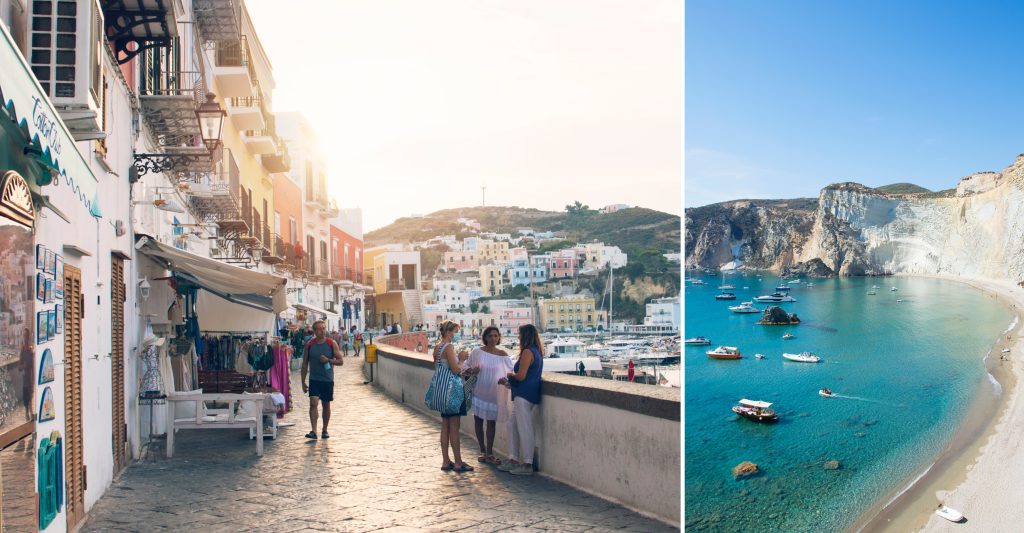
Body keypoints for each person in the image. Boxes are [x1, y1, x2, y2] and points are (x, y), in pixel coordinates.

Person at [497, 324, 544, 476]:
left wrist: (510, 375)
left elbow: (521, 376)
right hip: (524, 393)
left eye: (520, 334)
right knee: (512, 425)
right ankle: (513, 458)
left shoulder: (528, 352)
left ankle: (527, 463)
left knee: (525, 428)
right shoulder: (536, 351)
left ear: (525, 336)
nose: (518, 337)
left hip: (524, 395)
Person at [433, 319, 475, 472]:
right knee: (454, 427)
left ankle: (446, 461)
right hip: (453, 391)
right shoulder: (448, 347)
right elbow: (456, 370)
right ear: (449, 332)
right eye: (455, 332)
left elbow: (439, 367)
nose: (456, 335)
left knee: (445, 426)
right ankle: (458, 462)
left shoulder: (437, 347)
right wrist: (462, 358)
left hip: (442, 389)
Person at [468, 326, 513, 465]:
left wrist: (507, 381)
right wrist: (472, 370)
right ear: (485, 337)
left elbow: (511, 373)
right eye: (490, 336)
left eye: (495, 336)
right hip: (479, 391)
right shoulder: (477, 352)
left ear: (499, 337)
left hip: (493, 394)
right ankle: (482, 450)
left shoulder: (503, 355)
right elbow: (466, 367)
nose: (493, 338)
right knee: (478, 421)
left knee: (491, 422)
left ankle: (490, 453)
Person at [300, 320, 344, 439]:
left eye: (324, 328)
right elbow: (304, 364)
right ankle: (314, 431)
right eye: (319, 329)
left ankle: (324, 429)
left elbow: (341, 361)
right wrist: (303, 382)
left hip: (327, 379)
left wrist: (329, 360)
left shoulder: (331, 343)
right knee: (313, 403)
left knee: (326, 405)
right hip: (314, 379)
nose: (322, 331)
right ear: (314, 331)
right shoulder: (309, 344)